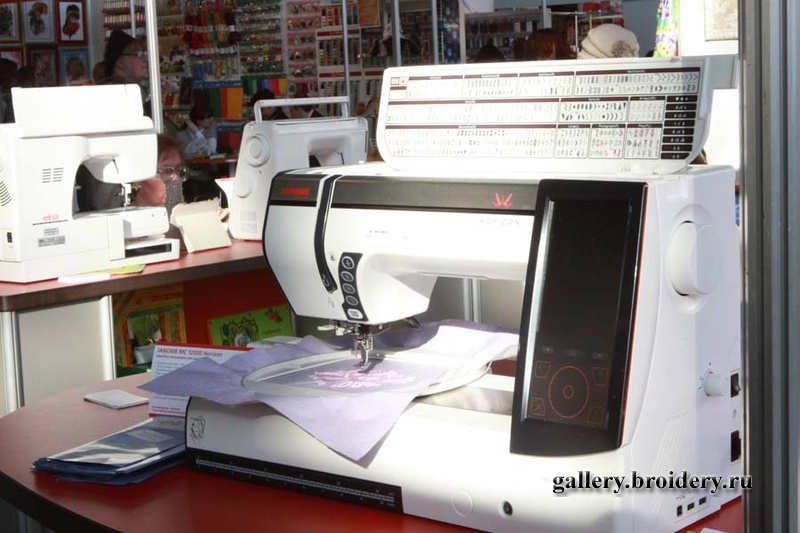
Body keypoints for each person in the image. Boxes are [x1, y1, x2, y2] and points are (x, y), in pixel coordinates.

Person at [131, 134, 186, 218]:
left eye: (179, 170)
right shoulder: (122, 223)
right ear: (137, 179)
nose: (177, 179)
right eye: (167, 170)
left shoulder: (189, 217)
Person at [102, 29, 151, 116]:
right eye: (137, 54)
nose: (145, 59)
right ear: (120, 62)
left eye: (144, 54)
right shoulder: (116, 92)